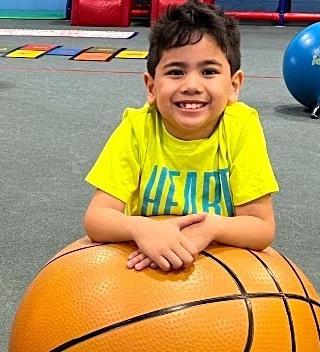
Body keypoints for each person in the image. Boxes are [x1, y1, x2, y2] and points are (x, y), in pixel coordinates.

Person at [82, 2, 278, 272]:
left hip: (219, 271)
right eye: (176, 72)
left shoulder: (241, 126)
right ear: (151, 87)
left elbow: (261, 228)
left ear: (234, 86)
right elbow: (96, 219)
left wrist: (213, 227)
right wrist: (141, 227)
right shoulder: (137, 128)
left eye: (208, 72)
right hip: (145, 268)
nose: (191, 86)